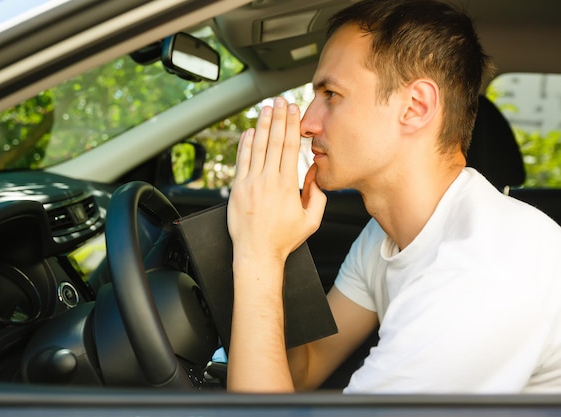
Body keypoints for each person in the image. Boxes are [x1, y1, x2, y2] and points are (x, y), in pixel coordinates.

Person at [226, 0, 561, 394]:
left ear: (415, 107)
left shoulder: (482, 270)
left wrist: (257, 255)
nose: (307, 123)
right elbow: (304, 368)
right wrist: (274, 247)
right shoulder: (386, 235)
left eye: (331, 94)